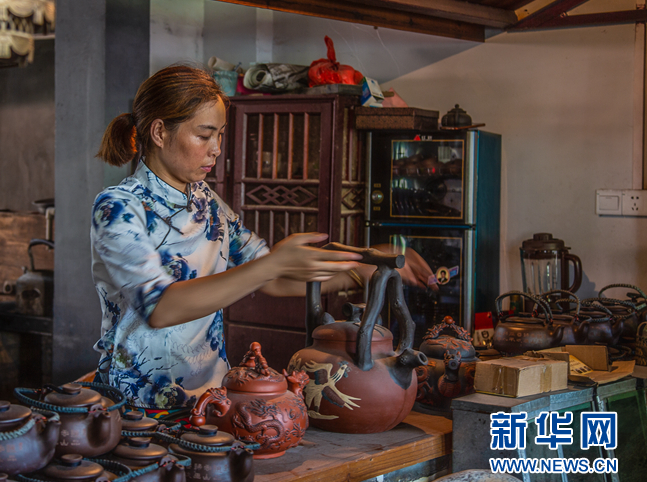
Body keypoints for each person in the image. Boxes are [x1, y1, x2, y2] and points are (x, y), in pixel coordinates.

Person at [90, 65, 431, 415]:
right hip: (137, 407)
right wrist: (273, 263)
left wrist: (364, 270)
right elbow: (160, 309)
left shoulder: (206, 202)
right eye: (204, 135)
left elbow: (274, 279)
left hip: (211, 401)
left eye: (220, 135)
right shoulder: (119, 207)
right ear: (160, 131)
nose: (217, 149)